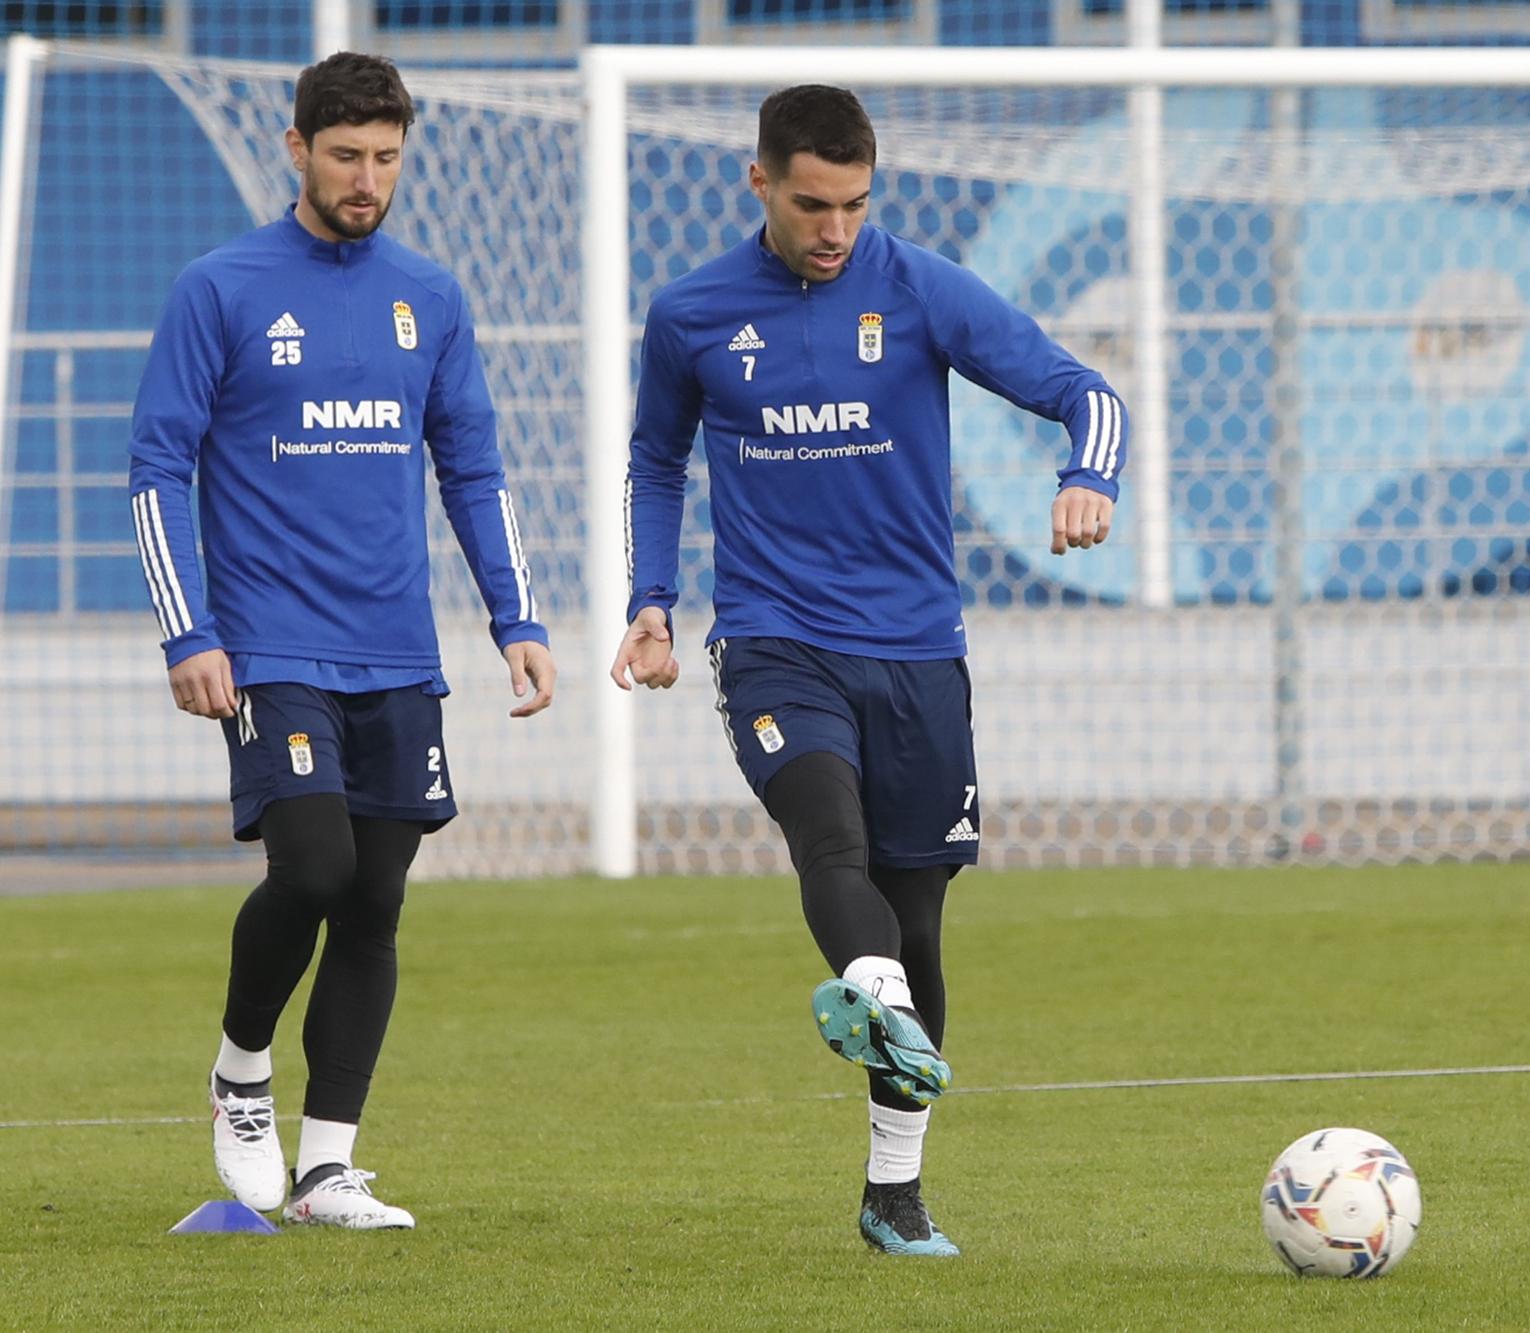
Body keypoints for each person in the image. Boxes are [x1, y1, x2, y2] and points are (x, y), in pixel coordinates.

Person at [609, 84, 1125, 1257]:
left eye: (850, 203)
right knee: (824, 837)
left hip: (916, 653)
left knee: (917, 924)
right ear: (759, 183)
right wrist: (650, 602)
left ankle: (893, 1189)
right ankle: (877, 1005)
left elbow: (1084, 393)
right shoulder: (691, 314)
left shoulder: (920, 288)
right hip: (774, 641)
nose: (832, 227)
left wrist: (1084, 476)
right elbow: (654, 461)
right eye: (808, 203)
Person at [128, 51, 555, 1230]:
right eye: (346, 156)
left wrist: (514, 617)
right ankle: (239, 1071)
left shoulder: (431, 293)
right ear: (297, 151)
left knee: (371, 904)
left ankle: (327, 1169)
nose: (367, 180)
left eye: (385, 160)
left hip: (396, 655)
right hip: (267, 648)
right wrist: (187, 630)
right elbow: (157, 465)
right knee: (309, 870)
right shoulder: (219, 289)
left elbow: (470, 463)